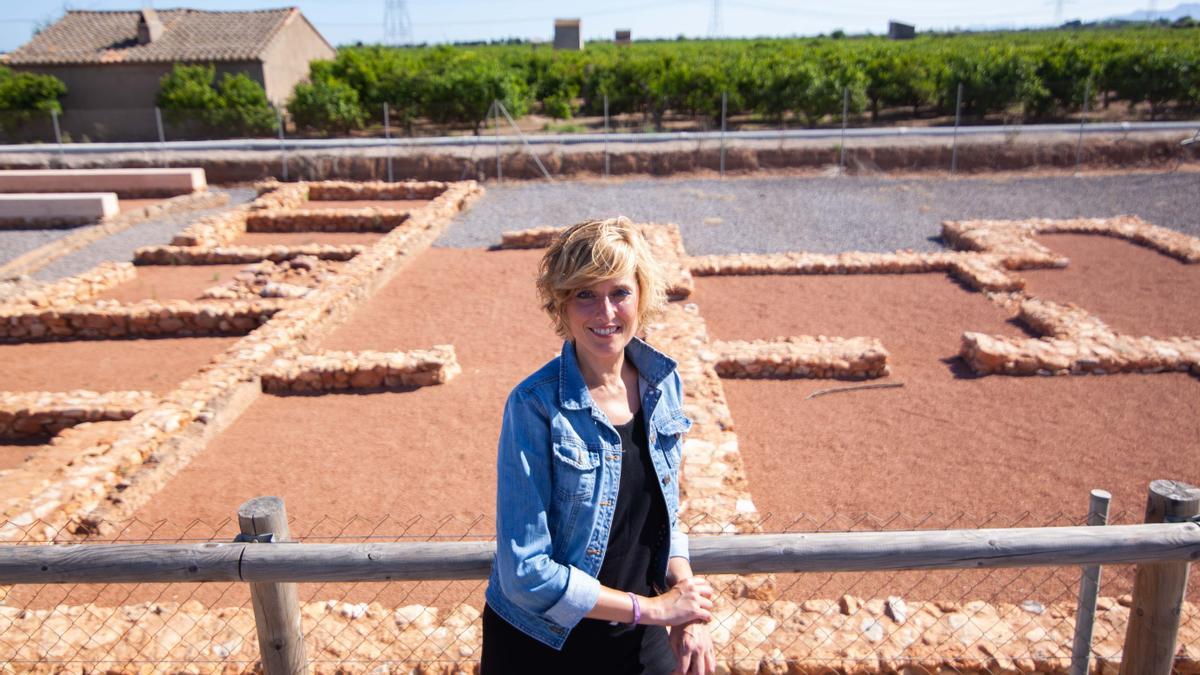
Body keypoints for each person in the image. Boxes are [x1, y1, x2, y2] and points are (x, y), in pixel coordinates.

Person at [483, 217, 717, 674]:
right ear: (561, 304)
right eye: (584, 294)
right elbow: (525, 572)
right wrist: (656, 610)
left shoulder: (661, 384)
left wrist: (688, 605)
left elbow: (665, 515)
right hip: (546, 646)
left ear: (642, 295)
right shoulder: (534, 405)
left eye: (619, 293)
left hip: (641, 641)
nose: (605, 313)